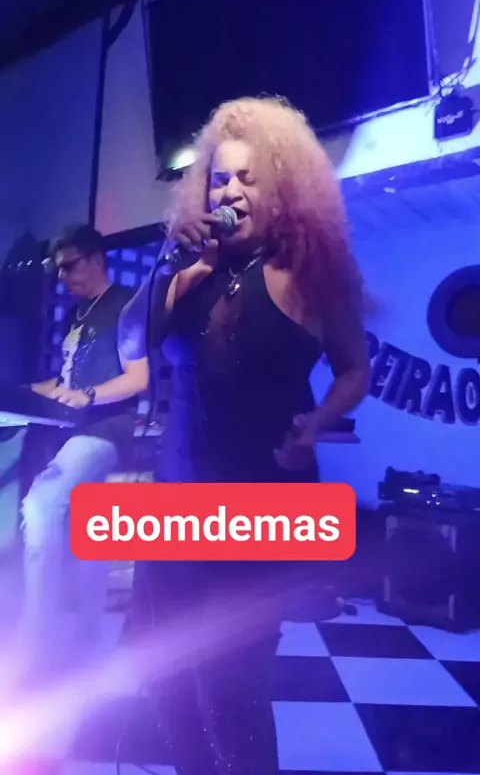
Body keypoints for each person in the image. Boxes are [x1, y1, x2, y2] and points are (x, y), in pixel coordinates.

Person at [119, 96, 371, 774]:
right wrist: (173, 266)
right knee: (169, 681)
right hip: (176, 506)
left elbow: (355, 369)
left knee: (234, 689)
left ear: (283, 190)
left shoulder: (311, 277)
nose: (229, 192)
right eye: (220, 178)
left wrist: (317, 422)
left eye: (247, 179)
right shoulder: (191, 272)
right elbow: (131, 346)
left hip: (262, 505)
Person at [19, 223, 148, 674]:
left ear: (95, 259)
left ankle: (35, 638)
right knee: (88, 533)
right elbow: (67, 380)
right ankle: (88, 641)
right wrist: (25, 391)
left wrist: (88, 396)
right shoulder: (78, 313)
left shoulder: (126, 304)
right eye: (59, 268)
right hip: (77, 428)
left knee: (41, 504)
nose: (63, 277)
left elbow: (138, 378)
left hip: (108, 429)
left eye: (69, 266)